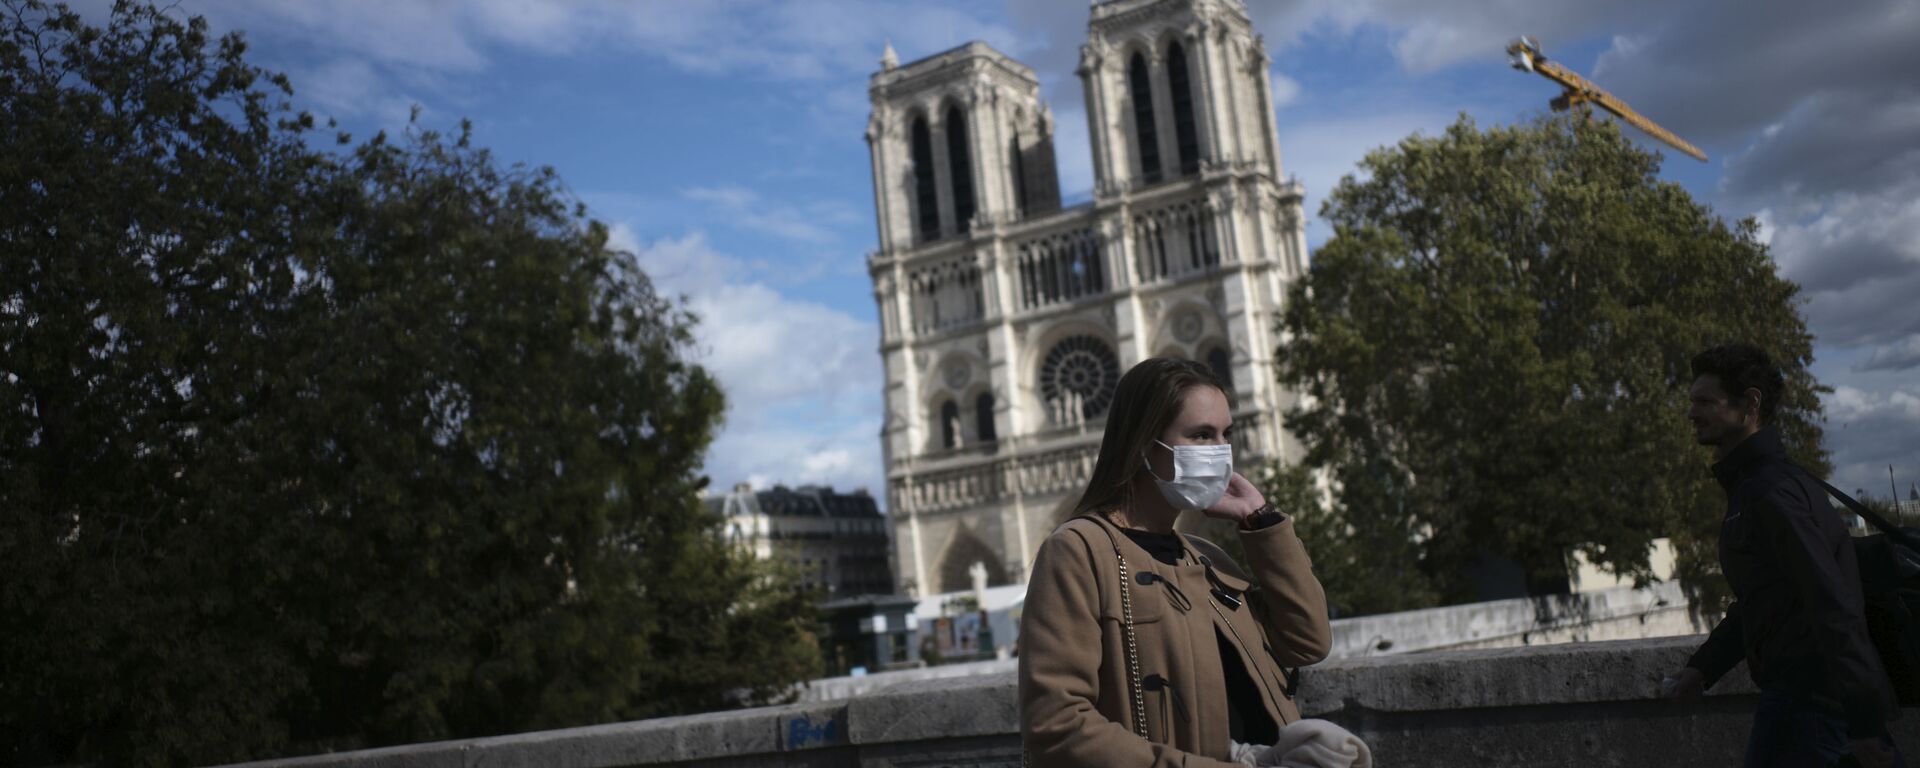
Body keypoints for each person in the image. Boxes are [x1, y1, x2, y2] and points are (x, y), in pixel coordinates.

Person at [1018, 358, 1352, 766]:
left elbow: (1308, 641)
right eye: (1200, 435)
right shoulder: (1079, 551)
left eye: (1224, 435)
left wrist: (1261, 522)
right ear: (1143, 445)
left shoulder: (1206, 557)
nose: (1220, 452)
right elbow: (1056, 725)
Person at [1663, 344, 1901, 768]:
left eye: (1704, 401)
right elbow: (1767, 598)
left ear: (1750, 403)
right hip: (1806, 704)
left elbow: (1834, 605)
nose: (1691, 413)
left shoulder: (1771, 493)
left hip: (1811, 708)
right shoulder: (1754, 488)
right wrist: (1703, 667)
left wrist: (1863, 724)